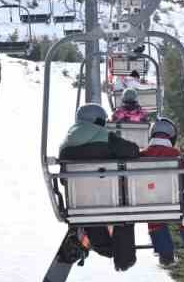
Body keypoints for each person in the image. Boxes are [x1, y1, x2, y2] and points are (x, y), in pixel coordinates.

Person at [57, 103, 140, 270]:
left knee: (94, 222)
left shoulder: (65, 143)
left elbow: (63, 180)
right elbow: (132, 151)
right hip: (109, 198)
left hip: (80, 201)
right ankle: (123, 259)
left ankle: (98, 243)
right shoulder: (104, 136)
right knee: (124, 212)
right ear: (98, 121)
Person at [141, 116, 184, 265]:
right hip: (174, 203)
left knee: (154, 217)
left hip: (147, 204)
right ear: (172, 137)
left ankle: (166, 255)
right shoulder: (176, 157)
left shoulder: (142, 155)